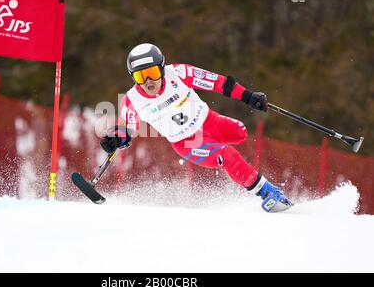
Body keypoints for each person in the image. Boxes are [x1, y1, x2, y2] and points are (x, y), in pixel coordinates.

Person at [100, 43, 293, 212]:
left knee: (241, 132)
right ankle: (268, 192)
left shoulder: (179, 73)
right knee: (228, 156)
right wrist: (115, 139)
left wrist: (248, 96)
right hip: (187, 142)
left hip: (209, 121)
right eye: (141, 76)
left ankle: (223, 154)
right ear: (133, 77)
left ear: (162, 68)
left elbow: (217, 83)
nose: (148, 81)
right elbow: (126, 128)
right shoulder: (132, 100)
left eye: (152, 73)